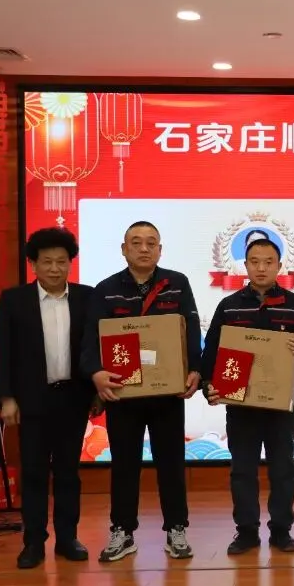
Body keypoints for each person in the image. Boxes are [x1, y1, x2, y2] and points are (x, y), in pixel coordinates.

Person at [81, 221, 202, 562]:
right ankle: (122, 530)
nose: (144, 248)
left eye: (151, 242)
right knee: (123, 464)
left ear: (160, 249)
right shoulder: (105, 290)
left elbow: (192, 329)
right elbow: (90, 339)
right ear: (124, 249)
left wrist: (195, 370)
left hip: (167, 394)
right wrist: (96, 373)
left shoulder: (177, 284)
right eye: (136, 242)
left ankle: (176, 528)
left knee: (171, 463)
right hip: (123, 393)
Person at [201, 237, 294, 555]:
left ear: (279, 266)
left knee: (283, 470)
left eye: (268, 262)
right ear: (246, 265)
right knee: (242, 470)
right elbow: (211, 351)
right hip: (240, 405)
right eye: (255, 262)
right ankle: (246, 531)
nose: (261, 268)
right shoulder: (229, 306)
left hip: (281, 406)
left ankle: (281, 531)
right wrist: (208, 385)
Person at [0, 228, 95, 569]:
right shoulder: (14, 300)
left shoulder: (86, 298)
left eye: (61, 262)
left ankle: (67, 538)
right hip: (31, 401)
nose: (54, 268)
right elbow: (3, 352)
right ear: (33, 264)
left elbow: (94, 348)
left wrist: (96, 394)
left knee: (68, 473)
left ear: (70, 264)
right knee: (34, 473)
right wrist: (7, 397)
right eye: (47, 262)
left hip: (73, 398)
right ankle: (33, 542)